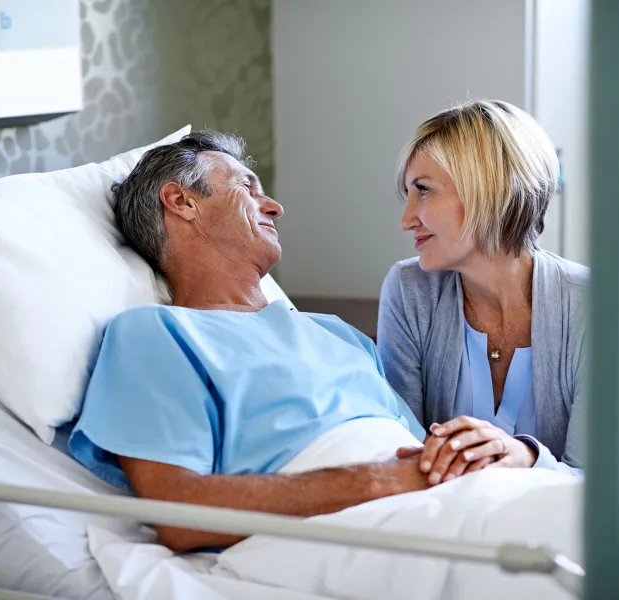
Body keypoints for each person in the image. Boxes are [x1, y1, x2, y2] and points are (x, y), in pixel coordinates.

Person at [69, 130, 435, 553]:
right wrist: (375, 480)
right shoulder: (155, 335)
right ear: (182, 202)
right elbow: (179, 514)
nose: (275, 207)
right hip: (344, 529)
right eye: (246, 187)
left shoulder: (338, 333)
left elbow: (422, 454)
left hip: (439, 499)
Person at [378, 100, 588, 482]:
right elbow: (401, 454)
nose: (406, 219)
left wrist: (525, 457)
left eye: (423, 190)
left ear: (489, 190)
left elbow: (596, 486)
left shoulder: (591, 306)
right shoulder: (409, 291)